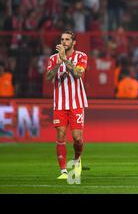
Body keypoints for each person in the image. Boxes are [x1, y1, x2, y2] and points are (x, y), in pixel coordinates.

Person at [45, 31, 88, 180]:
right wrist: (58, 63)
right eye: (62, 39)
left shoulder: (81, 56)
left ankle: (76, 160)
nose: (64, 42)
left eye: (67, 39)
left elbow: (78, 74)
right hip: (60, 104)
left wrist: (65, 60)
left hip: (76, 103)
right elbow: (48, 77)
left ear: (74, 42)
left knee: (77, 138)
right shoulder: (52, 58)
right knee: (61, 134)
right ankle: (63, 171)